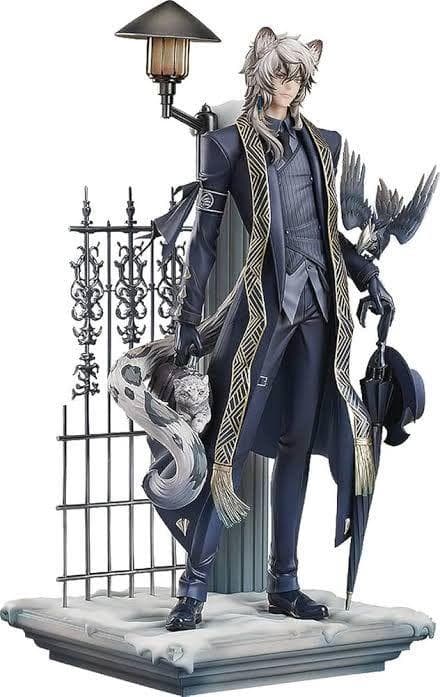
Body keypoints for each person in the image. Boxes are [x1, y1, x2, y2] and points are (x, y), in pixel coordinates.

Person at [166, 26, 394, 631]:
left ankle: (284, 583)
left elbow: (327, 230)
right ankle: (193, 590)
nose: (289, 84)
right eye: (280, 73)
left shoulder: (324, 143)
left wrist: (367, 275)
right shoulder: (228, 147)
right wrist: (188, 316)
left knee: (297, 443)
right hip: (265, 313)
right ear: (261, 75)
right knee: (231, 446)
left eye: (297, 75)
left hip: (321, 310)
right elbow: (204, 241)